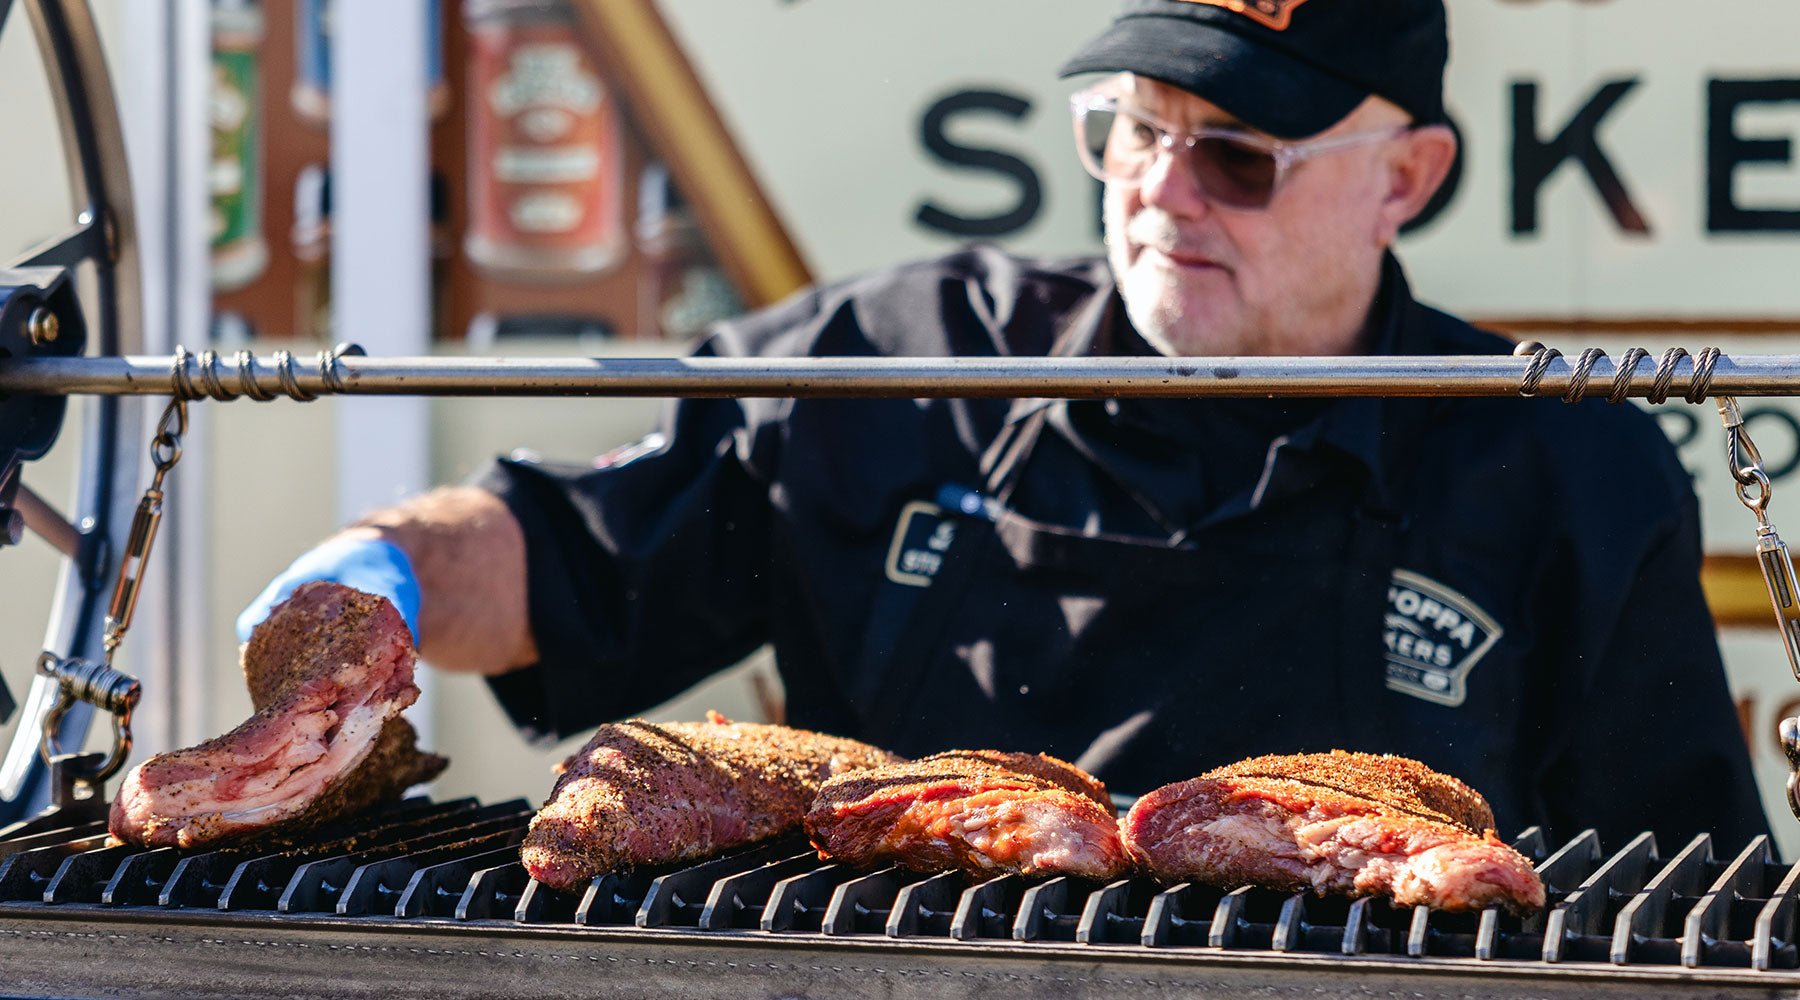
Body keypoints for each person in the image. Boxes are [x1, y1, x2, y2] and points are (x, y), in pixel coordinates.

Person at [243, 0, 1771, 849]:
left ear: (1408, 177)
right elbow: (565, 549)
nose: (1159, 194)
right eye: (1130, 134)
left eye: (1235, 158)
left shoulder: (1562, 463)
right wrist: (371, 579)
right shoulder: (896, 359)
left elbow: (1675, 884)